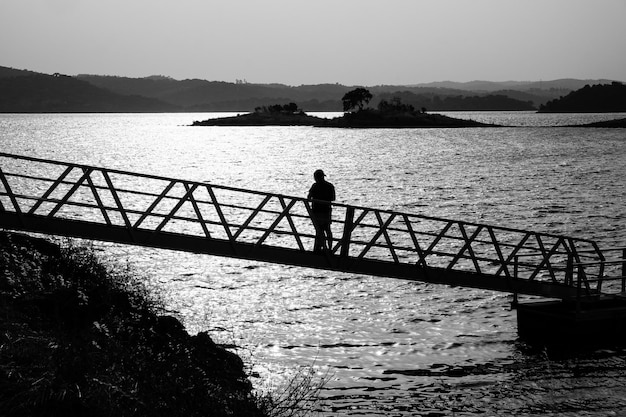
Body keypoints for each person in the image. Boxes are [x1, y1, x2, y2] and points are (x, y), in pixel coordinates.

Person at [307, 169, 336, 253]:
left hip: (317, 211)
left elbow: (308, 197)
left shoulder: (315, 186)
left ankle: (319, 247)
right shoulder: (329, 186)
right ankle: (329, 248)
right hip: (326, 210)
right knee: (327, 229)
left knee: (319, 230)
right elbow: (333, 198)